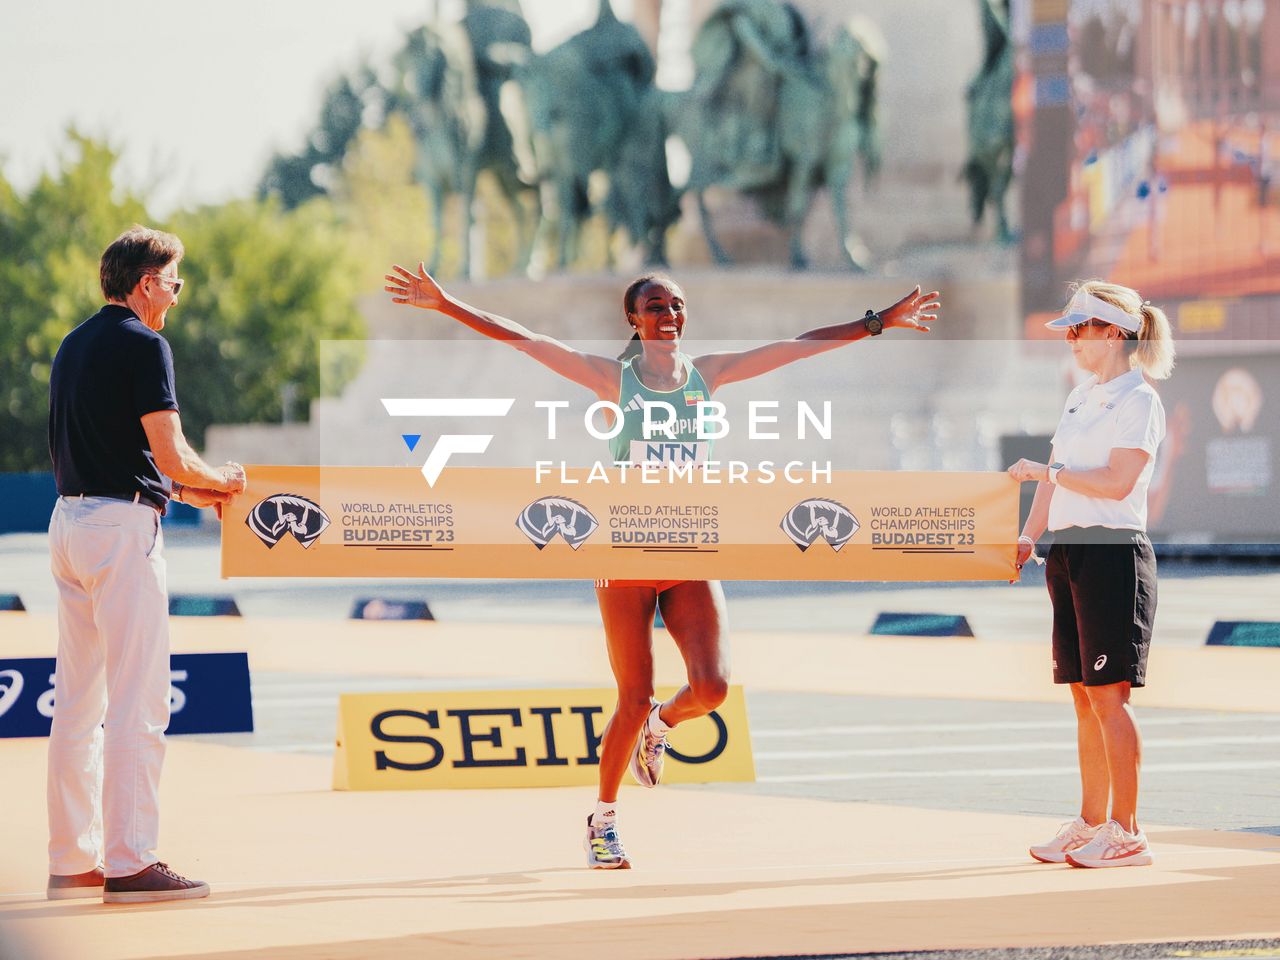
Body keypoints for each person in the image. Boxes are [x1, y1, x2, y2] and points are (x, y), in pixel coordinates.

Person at [384, 261, 937, 870]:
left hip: (691, 551)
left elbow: (799, 347)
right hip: (624, 553)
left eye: (675, 305)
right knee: (630, 694)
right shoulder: (613, 381)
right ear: (633, 319)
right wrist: (446, 304)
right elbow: (524, 340)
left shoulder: (710, 375)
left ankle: (662, 724)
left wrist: (878, 321)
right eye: (654, 306)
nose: (668, 315)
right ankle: (603, 819)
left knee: (713, 688)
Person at [46, 227, 247, 906]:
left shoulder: (74, 345)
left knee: (77, 705)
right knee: (138, 700)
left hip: (71, 521)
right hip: (119, 532)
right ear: (145, 284)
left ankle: (73, 857)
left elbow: (126, 459)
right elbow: (170, 456)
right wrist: (221, 482)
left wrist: (196, 491)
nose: (177, 294)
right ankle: (131, 861)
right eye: (174, 281)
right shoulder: (145, 344)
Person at [1008, 279, 1175, 872]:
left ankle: (1127, 832)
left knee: (1109, 698)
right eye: (1071, 330)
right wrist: (1029, 538)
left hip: (1114, 554)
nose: (1073, 340)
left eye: (1082, 329)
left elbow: (1115, 483)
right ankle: (1090, 822)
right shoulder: (1080, 397)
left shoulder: (1140, 399)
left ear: (1115, 333)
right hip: (1070, 554)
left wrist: (1045, 469)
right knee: (1083, 699)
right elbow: (1052, 482)